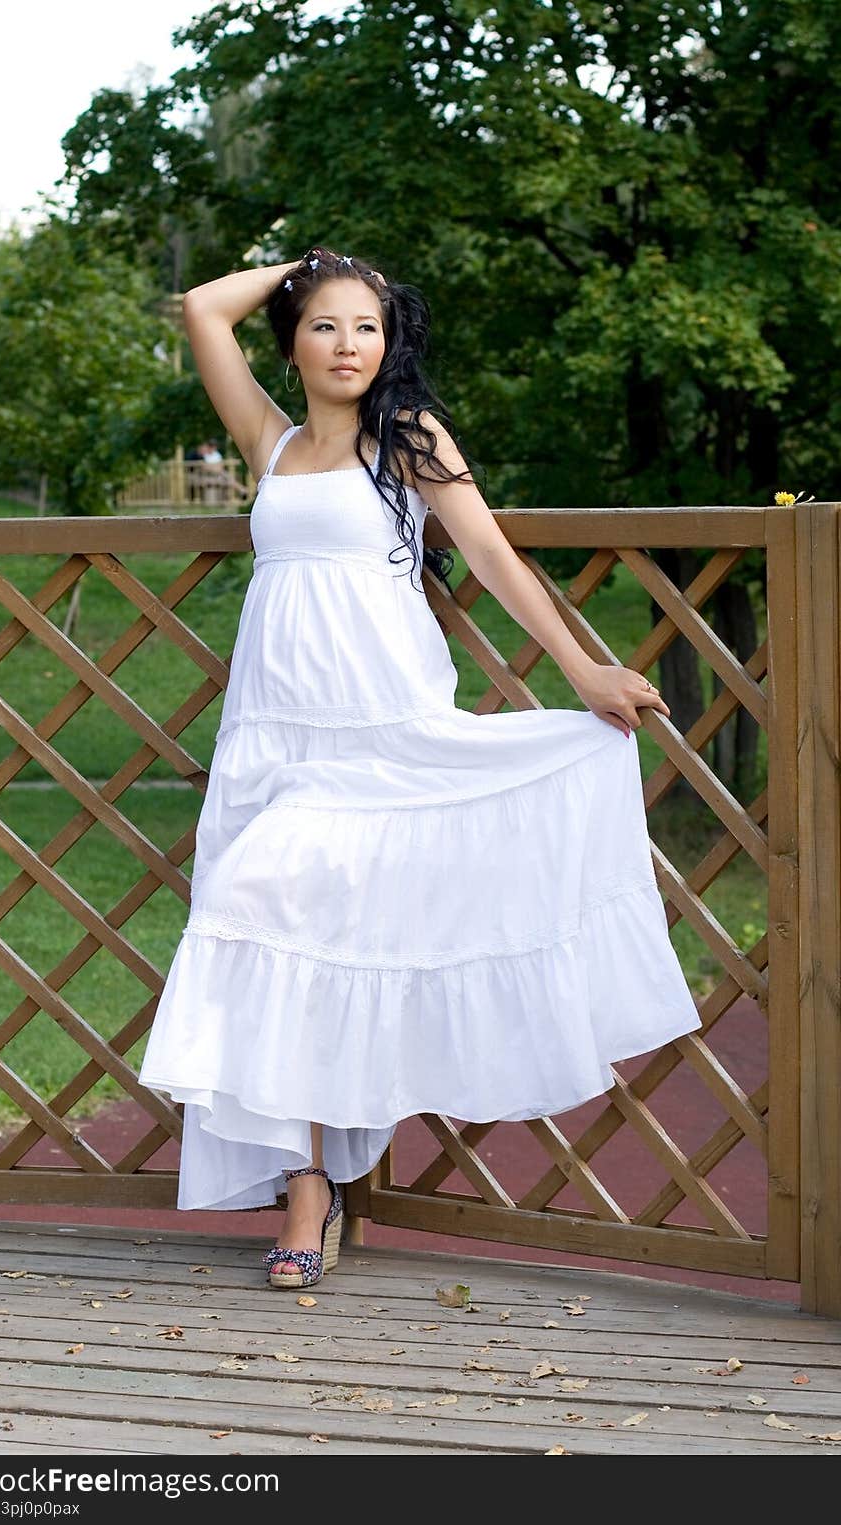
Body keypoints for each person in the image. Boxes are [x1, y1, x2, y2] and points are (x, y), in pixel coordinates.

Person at [138, 245, 701, 1290]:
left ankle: (322, 1185)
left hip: (382, 727)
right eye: (325, 326)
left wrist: (582, 668)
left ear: (389, 345)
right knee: (266, 935)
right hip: (271, 734)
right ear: (295, 343)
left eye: (368, 327)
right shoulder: (268, 440)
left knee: (335, 940)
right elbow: (205, 310)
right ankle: (306, 1186)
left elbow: (488, 553)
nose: (348, 345)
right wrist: (303, 265)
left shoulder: (409, 439)